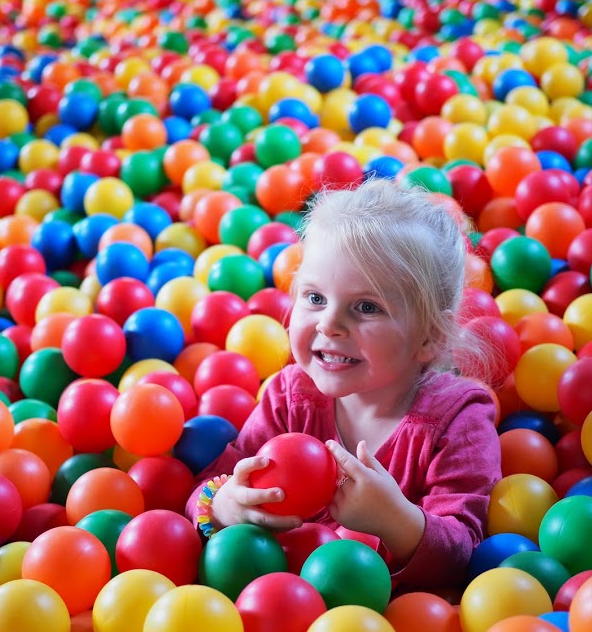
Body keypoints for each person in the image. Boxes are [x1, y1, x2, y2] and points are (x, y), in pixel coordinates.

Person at [186, 180, 502, 592]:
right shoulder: (289, 397)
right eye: (315, 298)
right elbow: (212, 484)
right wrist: (226, 507)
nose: (328, 325)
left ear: (429, 337)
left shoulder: (457, 422)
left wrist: (396, 521)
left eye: (366, 307)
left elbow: (460, 556)